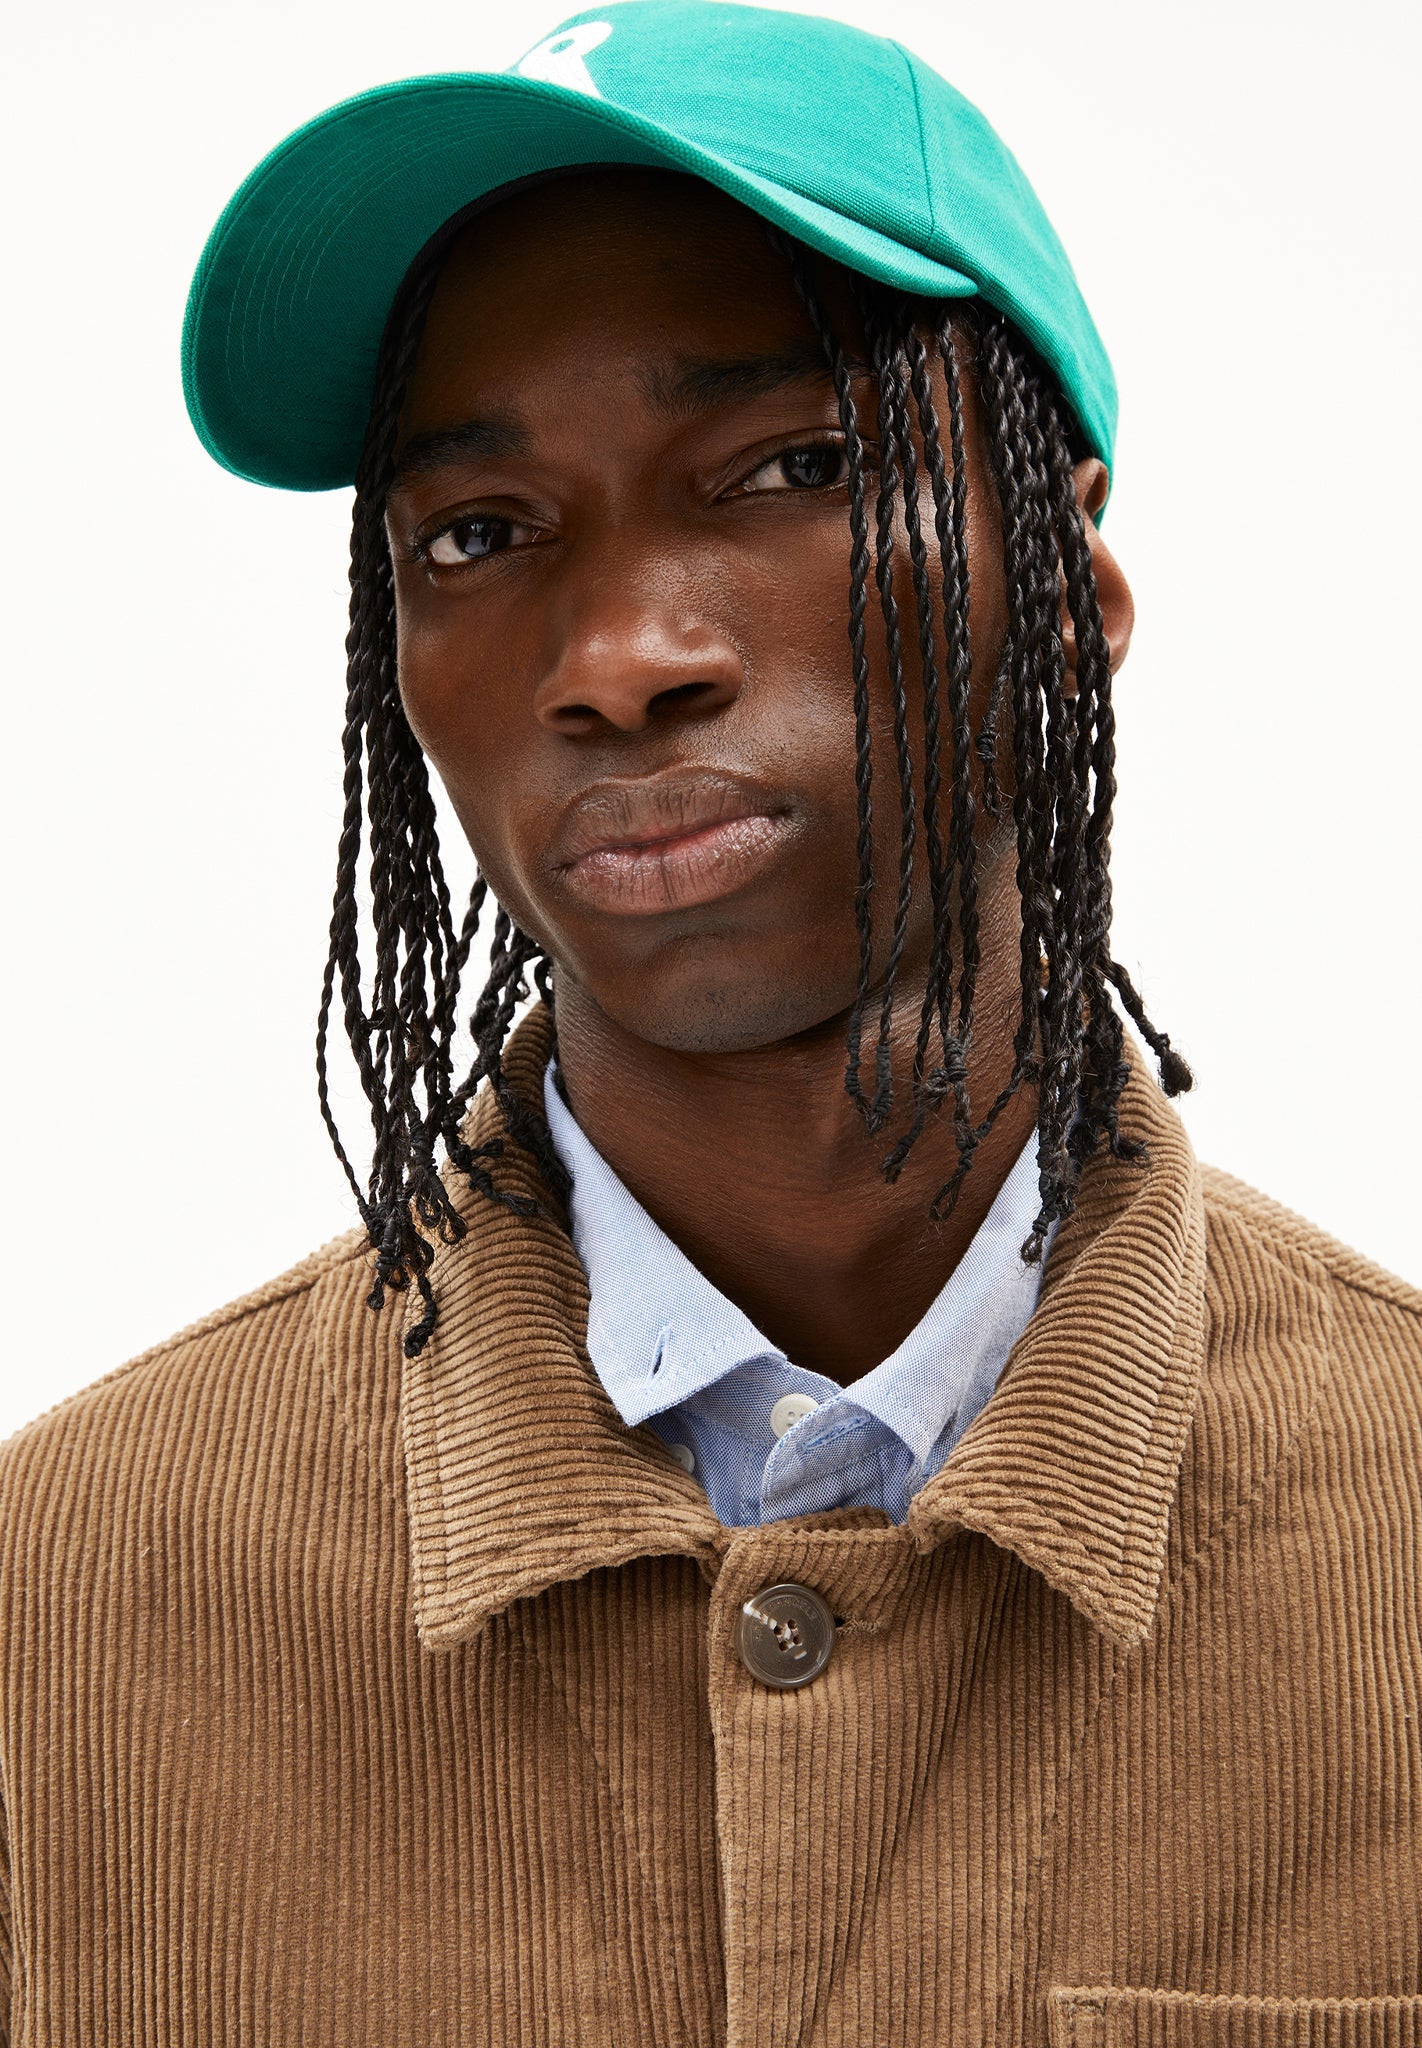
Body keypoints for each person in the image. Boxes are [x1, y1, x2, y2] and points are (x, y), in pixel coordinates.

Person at [1, 4, 1417, 2042]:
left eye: (790, 468)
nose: (617, 655)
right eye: (479, 533)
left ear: (1067, 581)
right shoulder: (56, 1599)